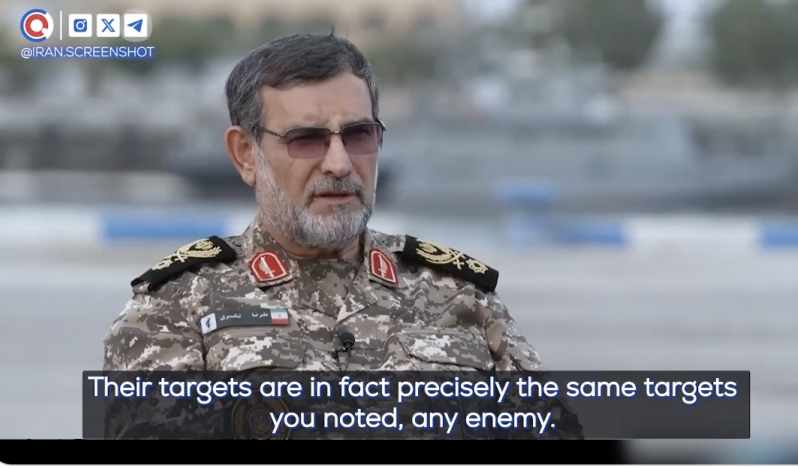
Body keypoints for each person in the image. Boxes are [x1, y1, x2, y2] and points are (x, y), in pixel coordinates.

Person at [102, 33, 582, 439]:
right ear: (246, 153)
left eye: (358, 135)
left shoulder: (462, 297)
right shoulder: (174, 311)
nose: (339, 162)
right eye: (306, 139)